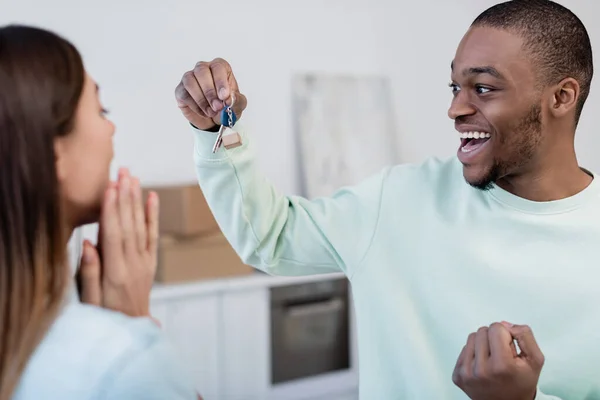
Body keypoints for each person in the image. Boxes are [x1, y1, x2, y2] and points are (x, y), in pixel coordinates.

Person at [174, 0, 600, 399]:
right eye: (455, 85)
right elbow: (271, 239)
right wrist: (217, 130)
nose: (455, 109)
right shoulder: (399, 200)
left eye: (483, 88)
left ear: (561, 97)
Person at [0, 25, 198, 400]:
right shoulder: (120, 363)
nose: (111, 128)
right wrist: (136, 326)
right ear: (52, 152)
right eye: (101, 109)